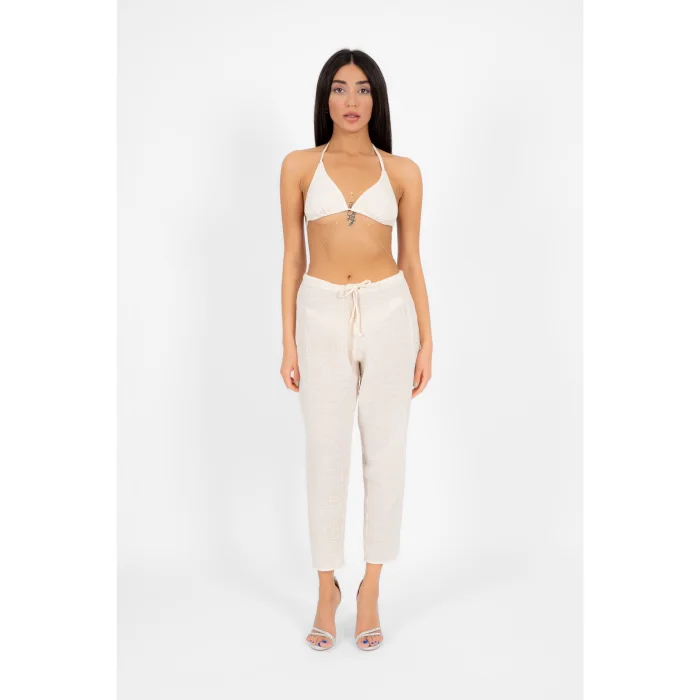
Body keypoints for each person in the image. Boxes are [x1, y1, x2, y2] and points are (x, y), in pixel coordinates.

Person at [279, 48, 433, 651]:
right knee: (325, 450)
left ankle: (370, 587)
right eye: (340, 88)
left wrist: (427, 338)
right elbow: (293, 257)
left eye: (363, 89)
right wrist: (287, 339)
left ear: (376, 99)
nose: (351, 100)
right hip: (319, 312)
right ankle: (327, 589)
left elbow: (411, 260)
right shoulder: (298, 166)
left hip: (390, 312)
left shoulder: (403, 172)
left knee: (385, 451)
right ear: (326, 97)